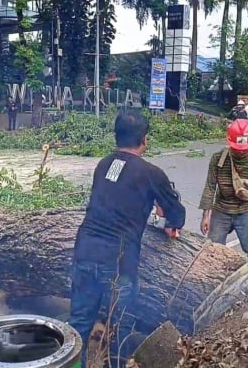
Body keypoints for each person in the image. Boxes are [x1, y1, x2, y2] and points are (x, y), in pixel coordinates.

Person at [69, 112, 186, 367]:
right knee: (121, 326)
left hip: (85, 251)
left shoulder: (104, 164)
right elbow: (176, 212)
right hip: (118, 260)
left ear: (116, 136)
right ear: (144, 139)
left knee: (78, 323)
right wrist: (171, 224)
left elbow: (116, 196)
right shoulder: (151, 173)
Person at [198, 119, 248, 259]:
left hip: (246, 209)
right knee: (213, 251)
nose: (241, 152)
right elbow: (210, 186)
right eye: (237, 148)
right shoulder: (218, 158)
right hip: (221, 209)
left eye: (244, 149)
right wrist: (206, 216)